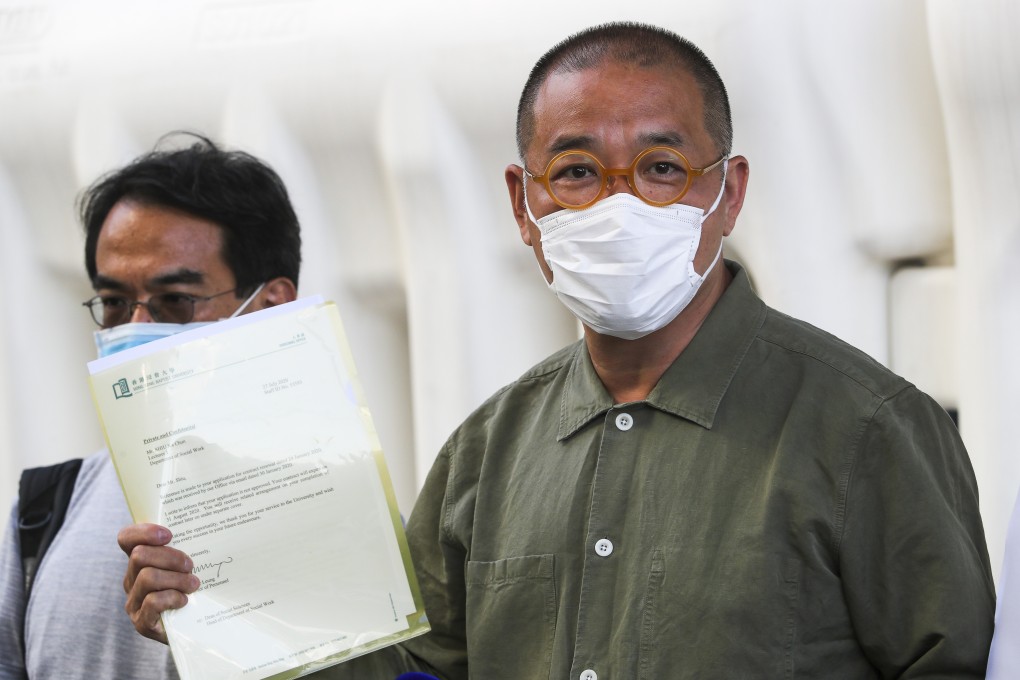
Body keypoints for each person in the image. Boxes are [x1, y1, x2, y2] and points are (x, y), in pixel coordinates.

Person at [118, 23, 995, 679]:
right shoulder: (487, 452)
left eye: (660, 167)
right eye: (576, 172)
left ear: (726, 194)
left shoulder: (867, 430)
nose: (618, 205)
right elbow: (405, 673)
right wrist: (217, 609)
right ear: (522, 202)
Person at [0, 132, 300, 680]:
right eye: (115, 303)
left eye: (175, 302)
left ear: (271, 305)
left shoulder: (345, 528)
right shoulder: (42, 514)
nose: (137, 330)